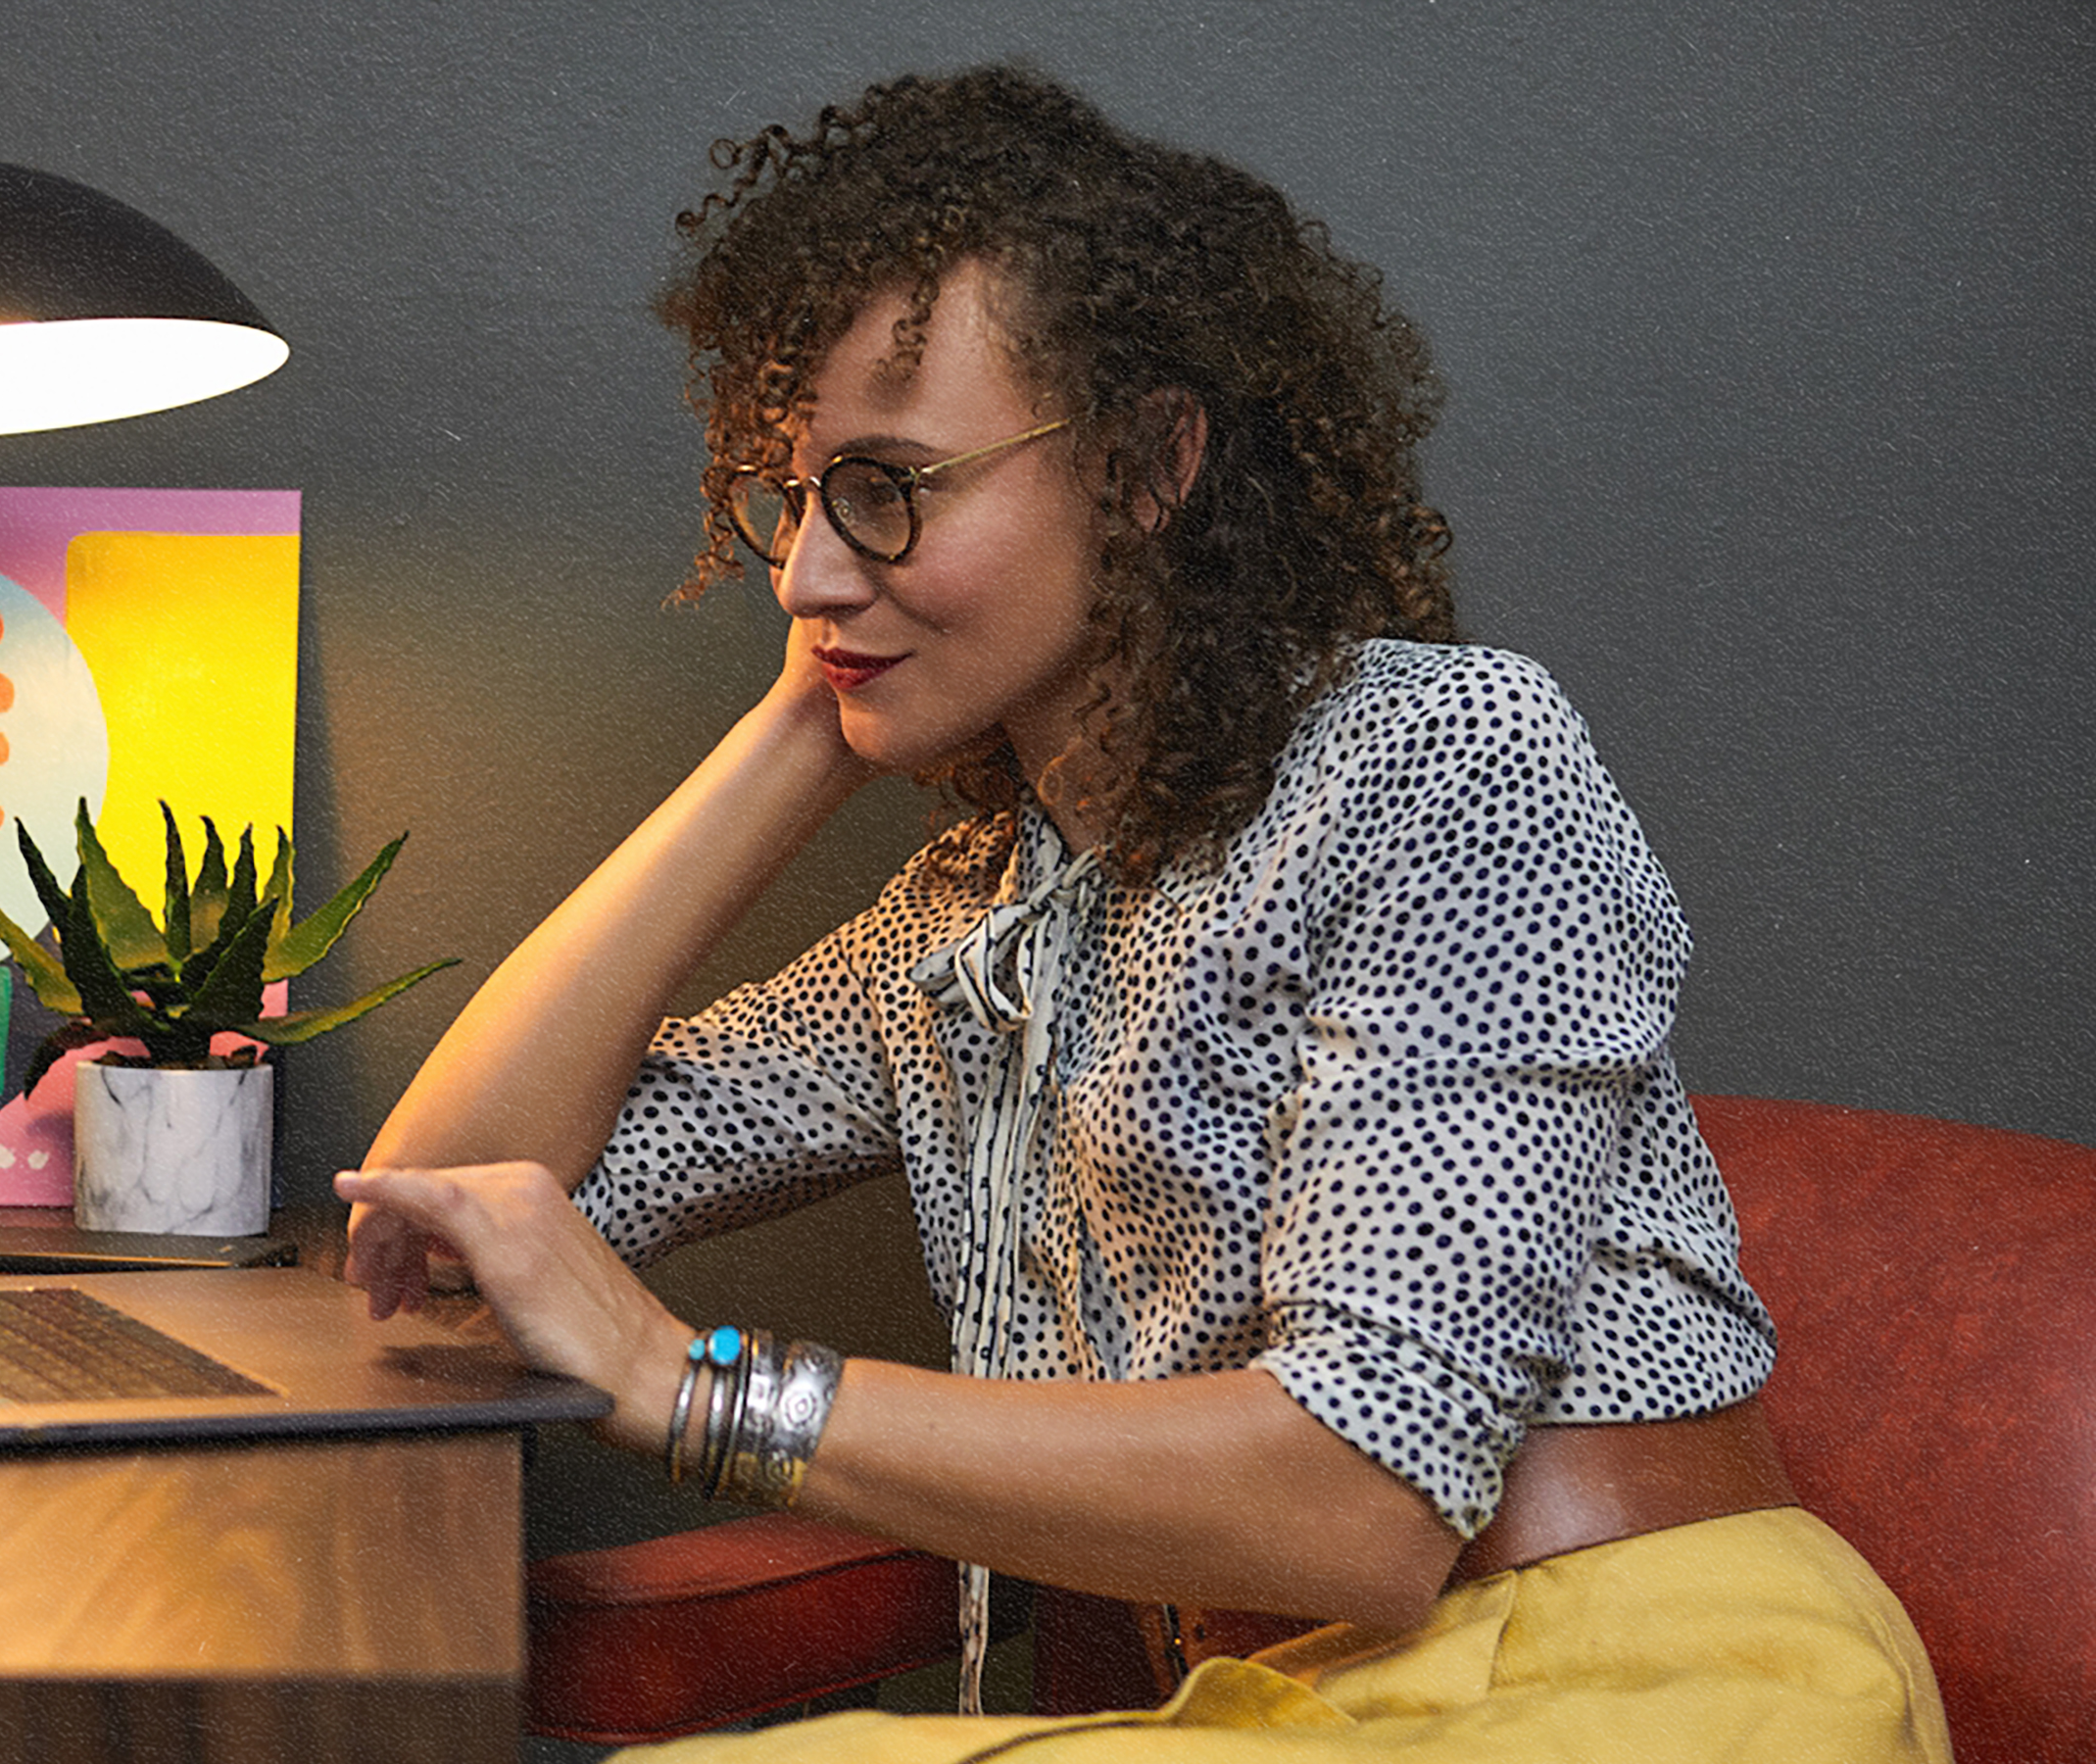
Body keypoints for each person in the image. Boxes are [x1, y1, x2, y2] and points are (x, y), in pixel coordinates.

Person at [332, 64, 1950, 1761]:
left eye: (889, 486)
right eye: (793, 498)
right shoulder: (973, 920)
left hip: (1646, 1677)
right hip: (1285, 1707)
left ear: (1149, 465)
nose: (806, 567)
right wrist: (795, 730)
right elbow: (446, 1226)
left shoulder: (1438, 764)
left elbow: (1363, 1501)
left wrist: (695, 1385)